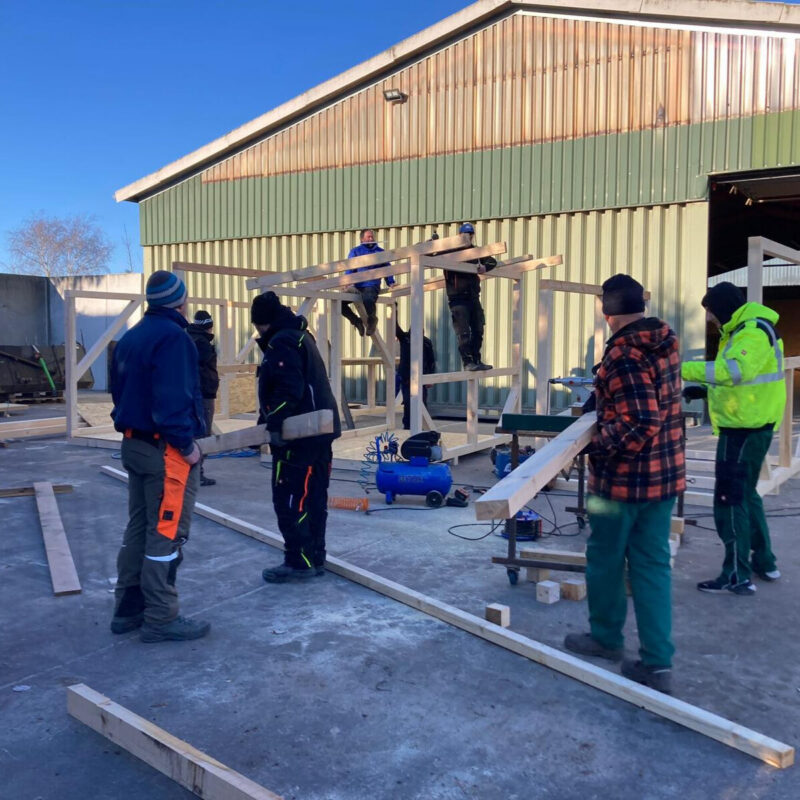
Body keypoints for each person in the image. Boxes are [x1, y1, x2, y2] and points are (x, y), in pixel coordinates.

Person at [564, 274, 685, 694]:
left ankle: (605, 638)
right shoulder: (664, 340)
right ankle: (658, 663)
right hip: (664, 476)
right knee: (652, 567)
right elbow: (651, 403)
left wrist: (597, 447)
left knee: (605, 560)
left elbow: (640, 419)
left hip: (623, 484)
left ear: (605, 311)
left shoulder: (623, 354)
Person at [109, 270, 210, 643]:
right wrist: (188, 447)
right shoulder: (175, 340)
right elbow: (172, 402)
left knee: (138, 527)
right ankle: (161, 616)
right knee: (165, 534)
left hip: (134, 444)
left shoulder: (131, 339)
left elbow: (120, 396)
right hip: (164, 451)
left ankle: (128, 608)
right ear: (180, 301)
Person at [682, 282, 785, 596]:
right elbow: (745, 382)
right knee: (747, 495)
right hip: (753, 424)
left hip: (742, 431)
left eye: (711, 312)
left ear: (723, 307)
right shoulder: (748, 329)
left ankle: (737, 575)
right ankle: (765, 561)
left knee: (729, 501)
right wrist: (706, 390)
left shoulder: (752, 331)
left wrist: (681, 369)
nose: (711, 319)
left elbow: (736, 370)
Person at [251, 291, 342, 582]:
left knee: (290, 499)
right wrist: (263, 420)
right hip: (319, 433)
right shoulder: (303, 337)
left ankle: (298, 562)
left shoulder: (282, 342)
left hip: (299, 436)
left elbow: (288, 389)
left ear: (263, 323)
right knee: (315, 498)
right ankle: (315, 557)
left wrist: (274, 425)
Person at [445, 223, 496, 371]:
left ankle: (476, 359)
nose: (468, 237)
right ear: (459, 235)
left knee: (478, 329)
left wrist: (485, 267)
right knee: (463, 332)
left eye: (471, 235)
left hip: (473, 297)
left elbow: (492, 261)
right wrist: (431, 241)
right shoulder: (450, 252)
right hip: (458, 298)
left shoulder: (476, 253)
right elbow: (427, 252)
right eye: (465, 235)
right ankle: (467, 362)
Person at [187, 310, 220, 487]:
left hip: (194, 394)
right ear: (209, 326)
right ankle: (196, 474)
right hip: (203, 395)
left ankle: (192, 473)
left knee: (195, 433)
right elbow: (204, 369)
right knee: (202, 436)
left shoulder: (190, 339)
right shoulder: (202, 344)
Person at [342, 228, 395, 336]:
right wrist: (346, 281)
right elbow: (349, 268)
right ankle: (356, 321)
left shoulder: (379, 252)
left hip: (371, 284)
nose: (371, 238)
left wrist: (391, 282)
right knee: (339, 302)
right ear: (362, 239)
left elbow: (387, 268)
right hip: (357, 286)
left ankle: (372, 319)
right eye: (368, 237)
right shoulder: (355, 251)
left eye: (372, 236)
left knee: (368, 297)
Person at [396, 323, 436, 430]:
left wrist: (430, 377)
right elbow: (395, 328)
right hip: (407, 379)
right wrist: (394, 309)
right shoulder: (405, 339)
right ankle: (408, 427)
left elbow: (431, 361)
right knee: (409, 404)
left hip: (421, 379)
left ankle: (422, 427)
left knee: (421, 403)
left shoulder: (426, 342)